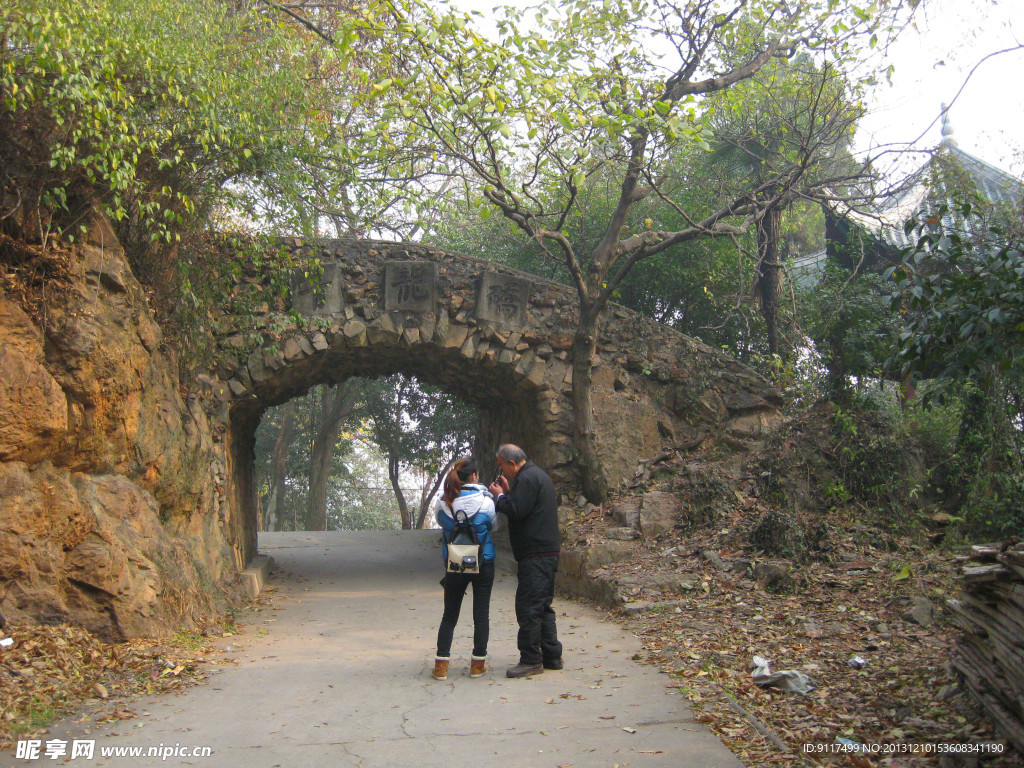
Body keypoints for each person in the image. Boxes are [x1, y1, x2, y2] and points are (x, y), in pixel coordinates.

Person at [488, 444, 563, 678]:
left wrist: (500, 496)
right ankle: (551, 655)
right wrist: (509, 492)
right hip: (545, 551)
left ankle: (531, 659)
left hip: (536, 553)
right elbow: (522, 504)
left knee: (529, 606)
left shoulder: (528, 478)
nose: (501, 470)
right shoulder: (535, 475)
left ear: (511, 463)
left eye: (501, 465)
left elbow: (515, 509)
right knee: (542, 606)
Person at [431, 457, 497, 681]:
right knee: (481, 613)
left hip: (455, 563)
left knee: (449, 614)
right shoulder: (487, 502)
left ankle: (441, 666)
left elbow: (441, 522)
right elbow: (493, 525)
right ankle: (478, 664)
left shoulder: (444, 502)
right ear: (475, 476)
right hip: (483, 562)